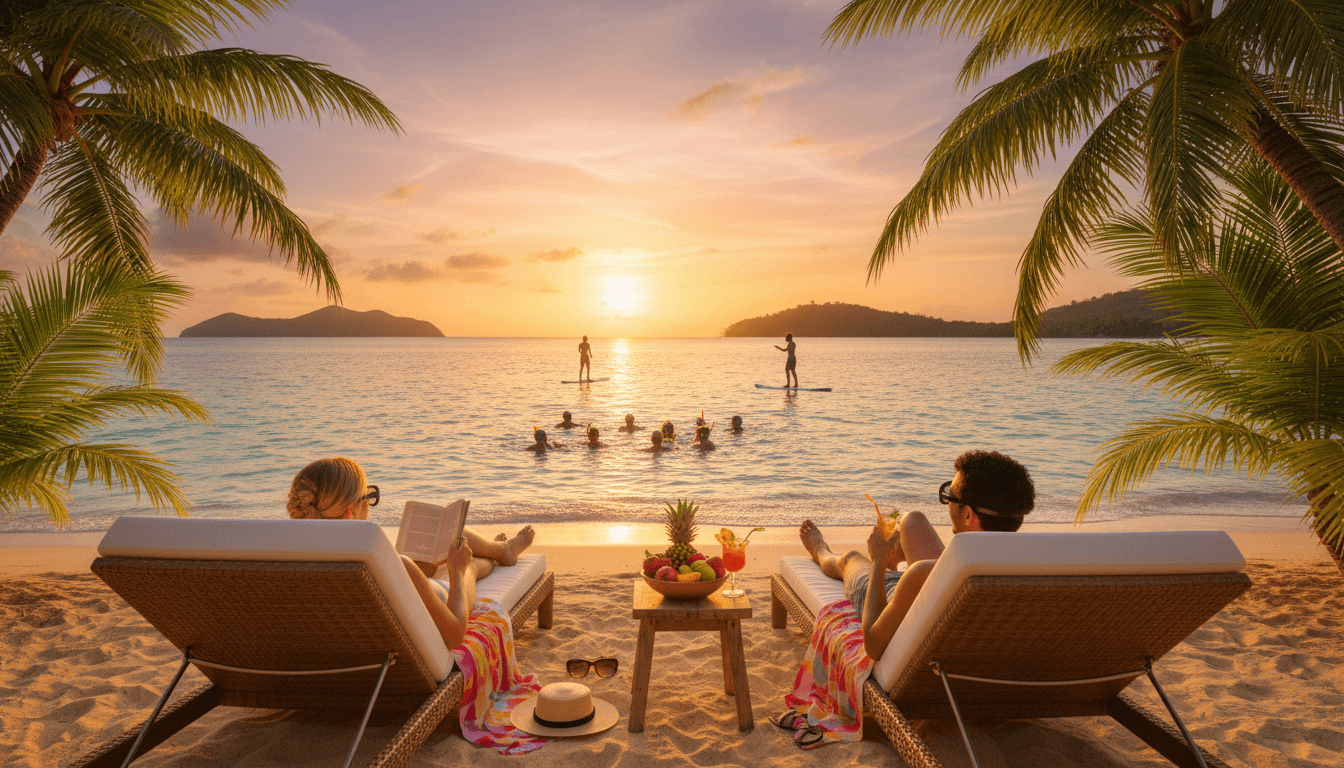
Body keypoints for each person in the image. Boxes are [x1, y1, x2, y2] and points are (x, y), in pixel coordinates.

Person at [798, 450, 1034, 659]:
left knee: (849, 559)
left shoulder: (924, 574)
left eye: (949, 497)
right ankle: (895, 551)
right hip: (940, 589)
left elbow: (874, 646)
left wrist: (879, 560)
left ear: (968, 516)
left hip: (903, 599)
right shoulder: (1036, 571)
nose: (948, 503)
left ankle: (820, 549)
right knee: (913, 520)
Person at [287, 457, 535, 650]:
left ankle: (501, 550)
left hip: (346, 653)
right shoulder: (391, 568)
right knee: (467, 562)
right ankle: (501, 552)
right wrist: (457, 571)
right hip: (434, 600)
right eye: (368, 497)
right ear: (351, 512)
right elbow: (454, 635)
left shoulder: (284, 565)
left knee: (437, 549)